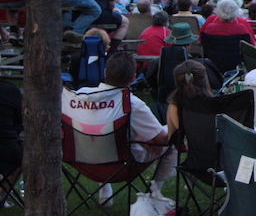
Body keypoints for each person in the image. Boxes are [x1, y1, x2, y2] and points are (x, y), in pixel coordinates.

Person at [64, 51, 176, 202]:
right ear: (133, 77)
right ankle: (153, 195)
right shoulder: (132, 104)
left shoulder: (79, 96)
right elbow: (162, 140)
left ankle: (105, 193)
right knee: (172, 140)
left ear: (105, 72)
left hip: (82, 160)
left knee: (99, 131)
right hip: (122, 165)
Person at [165, 60, 215, 139]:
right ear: (205, 80)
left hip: (190, 150)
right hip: (215, 149)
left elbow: (171, 138)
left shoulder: (175, 106)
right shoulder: (215, 105)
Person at [0, 76, 23, 204]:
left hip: (6, 148)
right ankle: (2, 192)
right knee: (28, 153)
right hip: (7, 149)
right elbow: (18, 123)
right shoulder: (10, 90)